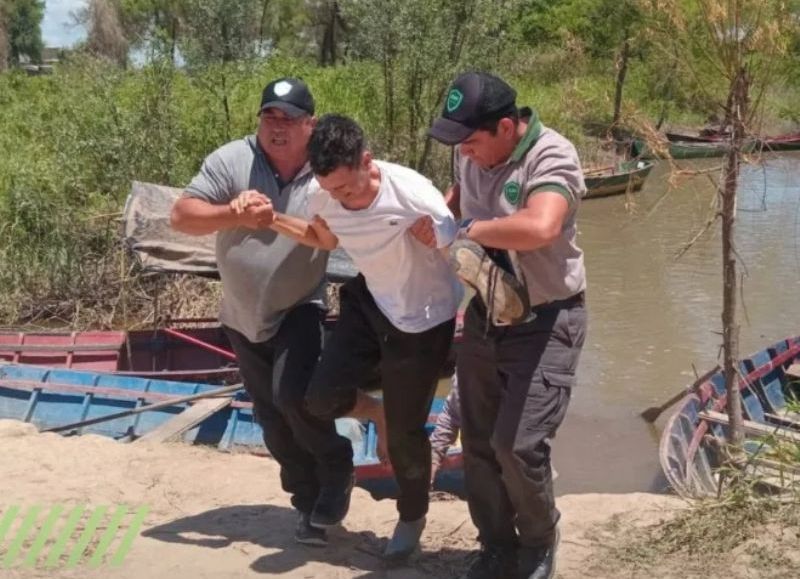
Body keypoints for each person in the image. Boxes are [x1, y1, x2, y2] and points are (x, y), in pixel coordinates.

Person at [249, 113, 461, 561]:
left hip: (423, 318)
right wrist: (272, 220)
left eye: (348, 188)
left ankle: (411, 516)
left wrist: (437, 236)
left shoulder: (412, 192)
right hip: (369, 302)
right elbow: (323, 239)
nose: (340, 199)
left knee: (406, 436)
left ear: (367, 161)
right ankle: (375, 412)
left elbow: (456, 240)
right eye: (331, 191)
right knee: (318, 399)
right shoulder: (321, 194)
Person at [170, 77, 354, 548]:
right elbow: (182, 216)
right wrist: (233, 213)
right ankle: (306, 502)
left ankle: (337, 469)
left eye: (289, 119)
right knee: (271, 418)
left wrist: (270, 219)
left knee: (294, 397)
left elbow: (331, 235)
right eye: (270, 116)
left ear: (310, 126)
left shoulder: (324, 171)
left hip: (298, 306)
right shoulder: (233, 159)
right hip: (240, 315)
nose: (278, 127)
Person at [428, 71, 588, 579]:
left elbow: (541, 226)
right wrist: (433, 217)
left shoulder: (552, 155)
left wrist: (468, 230)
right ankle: (495, 544)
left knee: (516, 446)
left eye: (472, 142)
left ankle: (539, 542)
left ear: (505, 127)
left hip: (547, 318)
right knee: (475, 442)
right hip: (484, 315)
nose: (465, 152)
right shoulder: (468, 149)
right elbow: (455, 196)